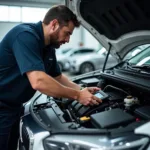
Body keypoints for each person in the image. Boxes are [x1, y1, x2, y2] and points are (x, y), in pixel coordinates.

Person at [0, 5, 102, 150]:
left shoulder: (48, 47)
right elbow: (38, 81)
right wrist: (78, 95)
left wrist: (82, 89)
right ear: (54, 24)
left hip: (15, 107)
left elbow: (58, 77)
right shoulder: (24, 35)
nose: (67, 40)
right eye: (67, 33)